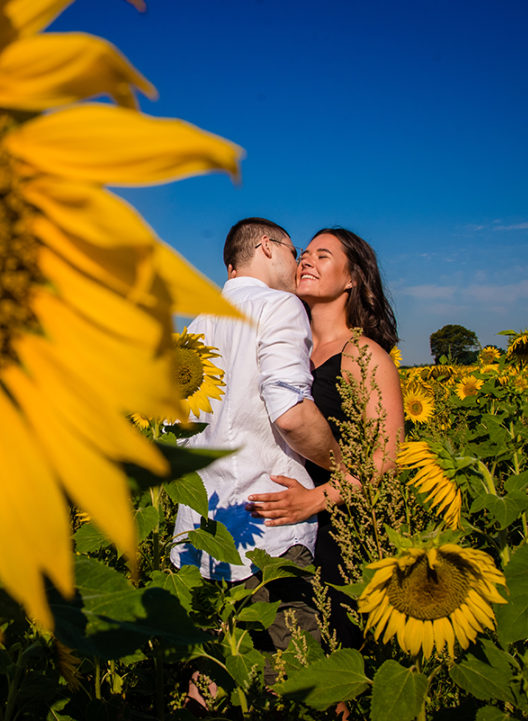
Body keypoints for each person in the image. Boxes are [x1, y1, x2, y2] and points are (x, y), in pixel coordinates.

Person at [170, 217, 343, 693]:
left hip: (199, 542)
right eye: (294, 250)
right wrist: (347, 468)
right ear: (268, 248)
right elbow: (289, 413)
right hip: (265, 533)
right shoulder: (278, 306)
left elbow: (176, 429)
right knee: (296, 685)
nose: (299, 261)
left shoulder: (196, 327)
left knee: (210, 683)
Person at [246, 227, 404, 649]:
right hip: (280, 529)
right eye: (305, 253)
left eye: (324, 255)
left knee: (337, 655)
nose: (307, 261)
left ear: (353, 279)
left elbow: (388, 457)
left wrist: (316, 499)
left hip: (341, 525)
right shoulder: (287, 346)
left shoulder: (363, 354)